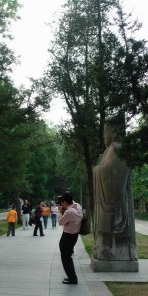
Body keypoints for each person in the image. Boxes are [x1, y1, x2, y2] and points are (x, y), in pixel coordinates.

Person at [93, 120, 138, 264]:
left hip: (113, 199)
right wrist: (100, 167)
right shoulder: (109, 150)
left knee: (109, 225)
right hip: (106, 198)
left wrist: (98, 169)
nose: (104, 136)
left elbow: (116, 171)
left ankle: (112, 250)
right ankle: (104, 249)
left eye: (106, 132)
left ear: (114, 132)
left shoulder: (118, 149)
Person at [58, 192, 82, 284]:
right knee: (68, 257)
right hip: (74, 235)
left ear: (65, 202)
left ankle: (72, 278)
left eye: (62, 202)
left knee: (66, 258)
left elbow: (60, 222)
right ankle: (71, 277)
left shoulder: (69, 212)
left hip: (68, 236)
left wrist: (60, 212)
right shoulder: (77, 206)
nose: (61, 204)